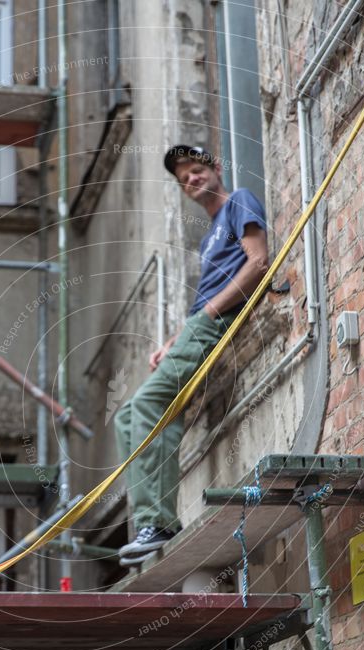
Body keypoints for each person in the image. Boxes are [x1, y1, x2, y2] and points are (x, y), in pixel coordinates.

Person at [114, 144, 268, 567]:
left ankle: (157, 521)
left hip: (212, 324)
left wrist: (212, 313)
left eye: (197, 170)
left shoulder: (240, 201)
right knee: (127, 416)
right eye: (184, 179)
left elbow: (258, 262)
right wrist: (172, 340)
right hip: (198, 326)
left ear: (216, 168)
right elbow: (202, 300)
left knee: (147, 404)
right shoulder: (209, 236)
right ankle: (149, 520)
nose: (192, 180)